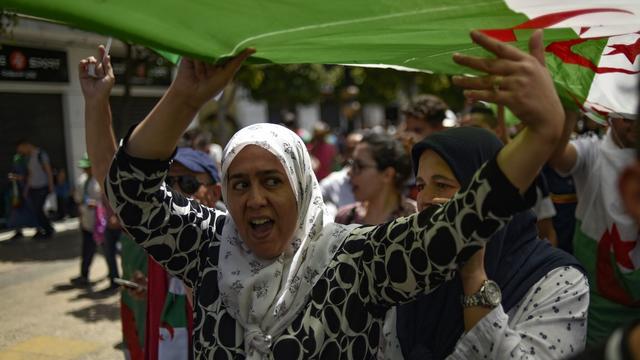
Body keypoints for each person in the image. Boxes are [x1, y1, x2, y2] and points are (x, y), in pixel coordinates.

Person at [84, 28, 564, 359]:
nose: (254, 199)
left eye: (272, 181)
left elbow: (455, 229)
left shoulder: (352, 260)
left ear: (301, 185)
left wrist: (541, 135)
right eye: (239, 184)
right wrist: (185, 97)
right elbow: (132, 197)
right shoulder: (208, 246)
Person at [394, 127, 588, 359]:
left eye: (442, 185)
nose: (424, 200)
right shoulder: (414, 268)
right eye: (421, 186)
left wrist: (473, 276)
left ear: (489, 196)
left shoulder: (560, 279)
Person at [549, 108, 639, 344]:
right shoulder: (593, 151)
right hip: (599, 316)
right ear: (610, 115)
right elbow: (558, 155)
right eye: (626, 117)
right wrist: (568, 103)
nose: (634, 124)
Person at [335, 131, 415, 225]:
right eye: (351, 164)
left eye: (359, 166)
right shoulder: (345, 218)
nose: (349, 173)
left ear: (387, 174)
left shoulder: (413, 219)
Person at [69, 155, 119, 289]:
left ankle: (114, 278)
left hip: (101, 223)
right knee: (87, 250)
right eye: (84, 168)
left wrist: (97, 205)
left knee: (109, 252)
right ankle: (84, 275)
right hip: (87, 220)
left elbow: (109, 201)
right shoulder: (81, 181)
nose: (86, 170)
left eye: (88, 167)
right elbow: (78, 200)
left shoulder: (102, 180)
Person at [16, 139, 55, 239]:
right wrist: (26, 189)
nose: (21, 152)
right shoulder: (28, 157)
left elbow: (48, 170)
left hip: (42, 186)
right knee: (36, 211)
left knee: (39, 210)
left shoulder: (41, 154)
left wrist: (51, 186)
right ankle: (44, 230)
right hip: (33, 188)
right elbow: (30, 174)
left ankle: (49, 230)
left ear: (26, 145)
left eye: (21, 149)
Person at [319, 131, 363, 219]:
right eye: (352, 149)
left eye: (361, 149)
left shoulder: (378, 180)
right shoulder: (333, 181)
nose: (356, 154)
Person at [6, 152, 37, 240]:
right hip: (17, 193)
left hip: (26, 192)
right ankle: (18, 231)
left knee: (31, 210)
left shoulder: (27, 166)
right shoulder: (15, 168)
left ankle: (38, 229)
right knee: (17, 212)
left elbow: (28, 177)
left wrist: (17, 178)